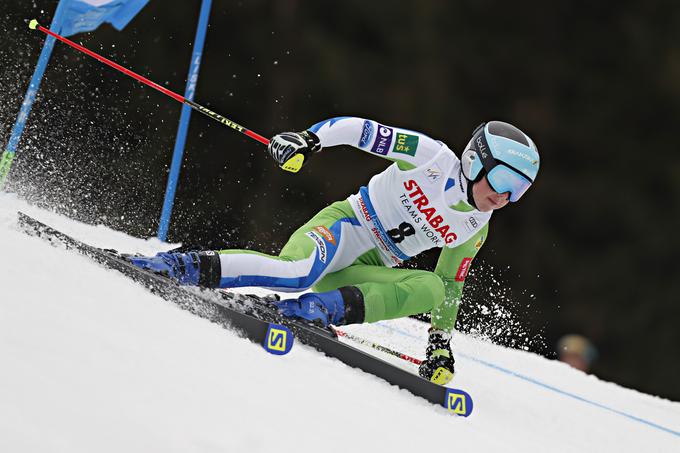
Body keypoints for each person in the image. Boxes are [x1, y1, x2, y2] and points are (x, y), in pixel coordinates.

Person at [129, 118, 540, 385]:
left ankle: (317, 310)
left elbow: (450, 286)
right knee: (296, 273)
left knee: (431, 286)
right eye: (503, 178)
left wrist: (439, 344)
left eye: (519, 189)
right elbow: (360, 130)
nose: (504, 196)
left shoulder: (475, 226)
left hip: (367, 269)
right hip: (345, 227)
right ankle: (184, 264)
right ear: (474, 161)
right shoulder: (431, 156)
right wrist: (309, 140)